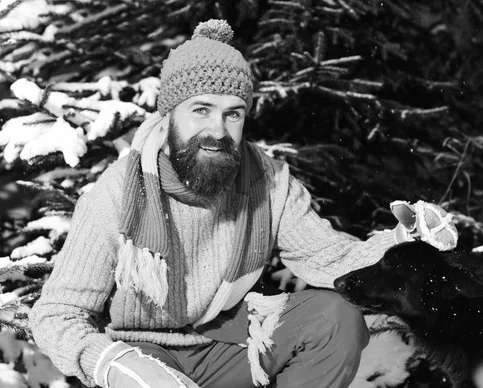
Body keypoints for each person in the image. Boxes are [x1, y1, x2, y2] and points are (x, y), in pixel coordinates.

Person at [29, 19, 458, 388]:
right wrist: (111, 363)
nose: (217, 129)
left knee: (335, 317)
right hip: (145, 358)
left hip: (232, 343)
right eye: (201, 110)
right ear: (169, 115)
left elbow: (330, 258)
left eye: (233, 113)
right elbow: (57, 314)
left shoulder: (267, 182)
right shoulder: (119, 192)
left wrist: (406, 242)